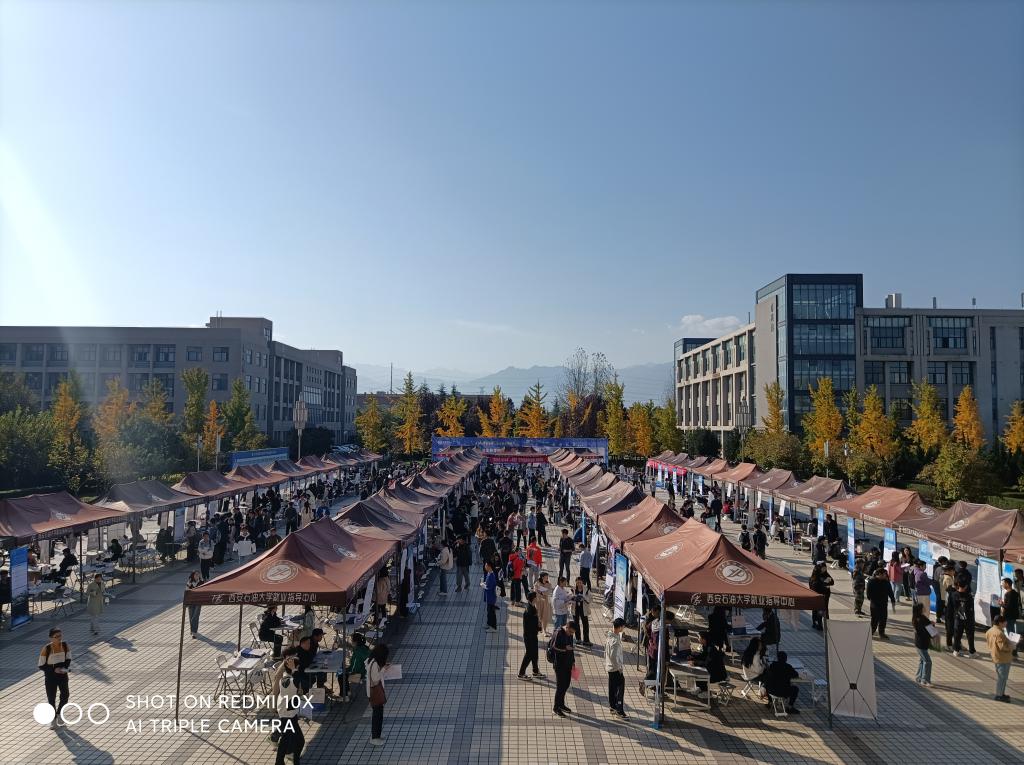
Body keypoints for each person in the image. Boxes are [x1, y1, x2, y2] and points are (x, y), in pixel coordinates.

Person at [273, 651, 305, 764]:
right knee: (298, 740)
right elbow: (297, 680)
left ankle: (280, 762)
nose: (299, 668)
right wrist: (293, 668)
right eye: (298, 667)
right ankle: (286, 761)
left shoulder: (284, 678)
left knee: (287, 739)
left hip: (287, 713)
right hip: (288, 715)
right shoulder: (290, 681)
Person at [38, 627, 71, 727]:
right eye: (56, 636)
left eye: (60, 635)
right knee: (51, 698)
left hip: (62, 675)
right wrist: (53, 670)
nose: (59, 638)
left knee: (65, 695)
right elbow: (41, 665)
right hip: (50, 678)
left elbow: (68, 659)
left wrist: (64, 668)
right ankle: (53, 719)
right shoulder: (46, 649)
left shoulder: (65, 645)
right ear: (51, 638)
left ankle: (59, 714)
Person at [551, 620, 577, 717]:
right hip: (559, 665)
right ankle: (556, 708)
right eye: (570, 632)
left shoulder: (569, 634)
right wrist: (565, 648)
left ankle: (561, 704)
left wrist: (573, 662)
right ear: (567, 627)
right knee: (560, 687)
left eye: (573, 633)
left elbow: (571, 649)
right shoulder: (558, 633)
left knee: (566, 685)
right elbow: (554, 647)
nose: (571, 634)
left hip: (568, 663)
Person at [366, 642, 390, 745]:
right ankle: (375, 737)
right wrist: (383, 670)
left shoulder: (372, 661)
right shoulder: (374, 664)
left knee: (378, 714)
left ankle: (377, 734)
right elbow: (375, 679)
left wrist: (382, 667)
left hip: (373, 692)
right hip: (375, 693)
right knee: (377, 715)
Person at [518, 591, 545, 679]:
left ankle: (535, 671)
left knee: (535, 653)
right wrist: (539, 626)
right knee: (529, 654)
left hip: (532, 635)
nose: (537, 598)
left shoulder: (531, 607)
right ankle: (521, 673)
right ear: (533, 599)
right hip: (529, 636)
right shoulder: (530, 610)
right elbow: (531, 625)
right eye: (536, 597)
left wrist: (538, 626)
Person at [986, 615, 1013, 702]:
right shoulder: (999, 633)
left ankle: (1001, 693)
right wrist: (1011, 646)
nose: (1006, 623)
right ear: (1000, 623)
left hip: (996, 656)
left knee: (1002, 677)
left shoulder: (990, 631)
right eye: (1005, 622)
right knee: (1002, 678)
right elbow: (1002, 647)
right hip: (1003, 658)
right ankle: (999, 695)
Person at [605, 617, 627, 718]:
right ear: (620, 627)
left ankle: (612, 706)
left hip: (610, 667)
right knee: (619, 689)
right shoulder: (614, 641)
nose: (623, 628)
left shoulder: (611, 635)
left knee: (612, 688)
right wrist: (619, 668)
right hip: (615, 669)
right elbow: (613, 657)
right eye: (623, 627)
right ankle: (619, 710)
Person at [341, 632, 371, 701]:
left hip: (361, 672)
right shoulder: (365, 648)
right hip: (366, 669)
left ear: (355, 642)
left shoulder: (357, 652)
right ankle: (348, 693)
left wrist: (347, 670)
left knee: (341, 675)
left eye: (351, 640)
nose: (350, 642)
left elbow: (354, 667)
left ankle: (346, 695)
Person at [867, 568, 894, 639]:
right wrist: (872, 600)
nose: (886, 575)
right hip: (874, 604)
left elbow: (890, 591)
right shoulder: (872, 581)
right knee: (874, 619)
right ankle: (871, 632)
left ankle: (881, 633)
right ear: (879, 574)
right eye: (884, 574)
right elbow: (868, 593)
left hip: (884, 604)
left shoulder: (886, 582)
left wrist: (892, 599)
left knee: (883, 619)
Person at [911, 602, 934, 686]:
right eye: (923, 607)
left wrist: (930, 624)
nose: (924, 608)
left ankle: (919, 677)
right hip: (922, 644)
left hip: (919, 643)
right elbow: (927, 631)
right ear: (920, 609)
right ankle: (925, 680)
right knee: (928, 661)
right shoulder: (922, 619)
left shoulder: (916, 618)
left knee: (922, 660)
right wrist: (932, 625)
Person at [998, 577, 1021, 658]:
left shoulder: (1009, 594)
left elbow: (1008, 606)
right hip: (1013, 615)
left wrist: (1001, 604)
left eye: (1003, 583)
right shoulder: (1015, 593)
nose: (1002, 585)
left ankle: (1013, 651)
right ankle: (1013, 650)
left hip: (1009, 616)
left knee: (1010, 633)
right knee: (1012, 632)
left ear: (1007, 584)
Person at [952, 582, 976, 657]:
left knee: (957, 635)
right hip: (968, 619)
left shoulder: (954, 595)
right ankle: (972, 652)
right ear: (965, 586)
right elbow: (971, 608)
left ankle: (956, 650)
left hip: (958, 617)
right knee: (970, 635)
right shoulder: (969, 596)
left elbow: (951, 606)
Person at [809, 562, 834, 630]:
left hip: (825, 596)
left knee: (824, 610)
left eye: (825, 568)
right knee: (817, 610)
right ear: (819, 568)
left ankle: (826, 623)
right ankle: (817, 623)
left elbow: (832, 582)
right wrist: (824, 585)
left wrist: (827, 582)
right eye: (823, 568)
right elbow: (814, 587)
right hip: (818, 596)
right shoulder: (815, 576)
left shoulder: (826, 574)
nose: (825, 569)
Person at [572, 577, 592, 646]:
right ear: (576, 582)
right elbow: (570, 596)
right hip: (575, 608)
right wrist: (573, 597)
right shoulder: (573, 589)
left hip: (583, 609)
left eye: (580, 582)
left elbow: (590, 599)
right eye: (577, 583)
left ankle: (586, 640)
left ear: (582, 582)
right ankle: (578, 639)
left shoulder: (586, 589)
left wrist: (584, 598)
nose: (579, 584)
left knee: (585, 624)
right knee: (576, 624)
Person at [185, 571, 202, 638]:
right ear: (193, 575)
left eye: (198, 574)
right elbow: (186, 591)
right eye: (196, 574)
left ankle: (194, 632)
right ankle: (192, 630)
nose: (197, 576)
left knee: (196, 616)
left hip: (198, 602)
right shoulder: (189, 582)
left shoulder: (201, 582)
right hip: (190, 601)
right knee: (191, 616)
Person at [482, 560, 498, 632]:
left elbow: (489, 587)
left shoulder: (491, 576)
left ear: (489, 566)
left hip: (491, 597)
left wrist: (483, 585)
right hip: (489, 597)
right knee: (489, 611)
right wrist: (484, 583)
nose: (485, 566)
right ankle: (489, 624)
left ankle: (493, 627)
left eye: (486, 565)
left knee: (491, 613)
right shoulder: (489, 573)